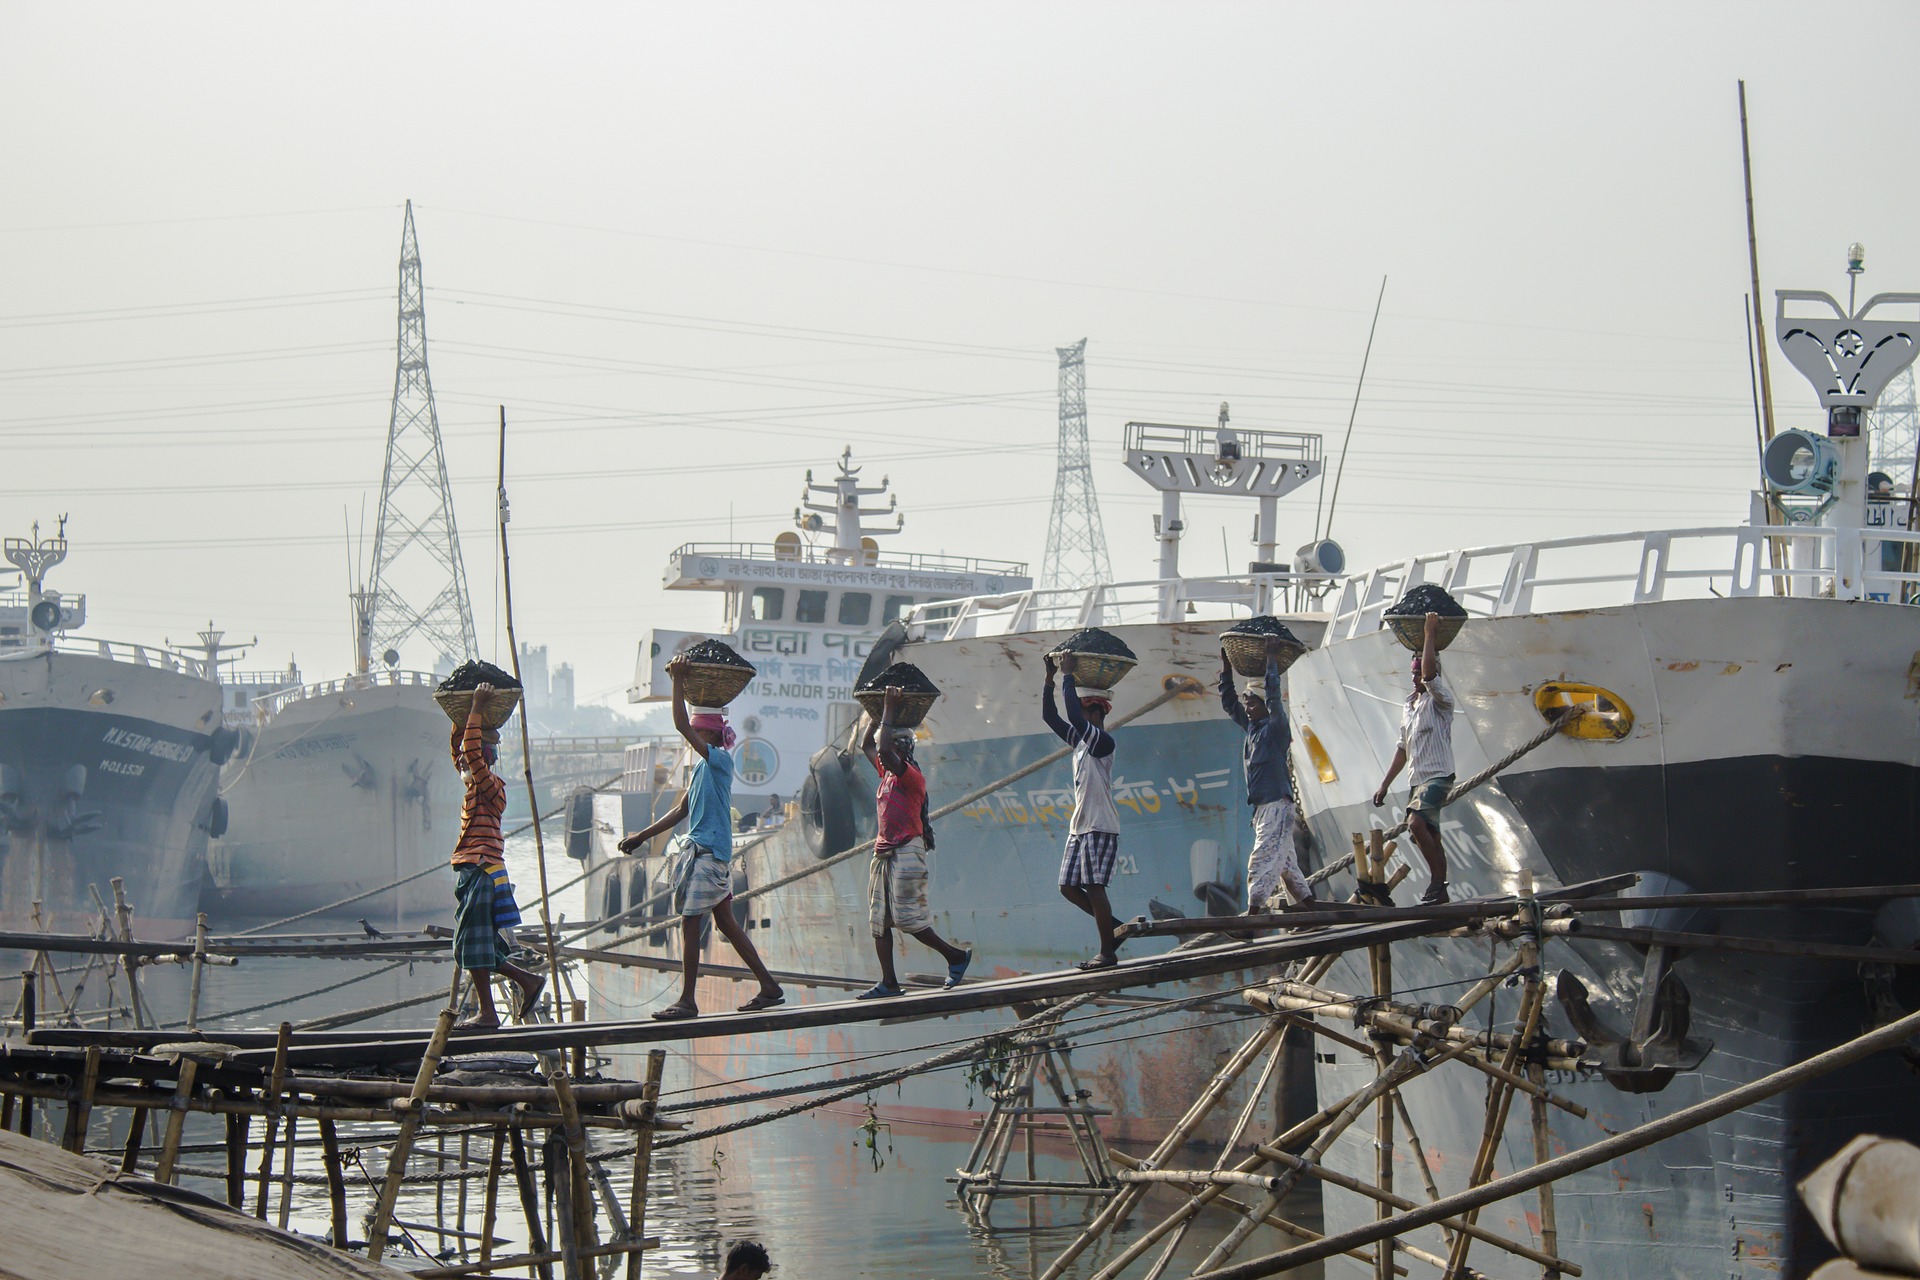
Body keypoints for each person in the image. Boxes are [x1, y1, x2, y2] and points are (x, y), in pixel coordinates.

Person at [616, 655, 785, 1020]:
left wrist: (677, 681)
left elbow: (679, 723)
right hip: (706, 853)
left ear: (707, 735)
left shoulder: (720, 760)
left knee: (690, 922)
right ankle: (769, 987)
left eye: (697, 732)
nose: (693, 736)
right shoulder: (700, 770)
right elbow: (681, 811)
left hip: (709, 855)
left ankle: (687, 1001)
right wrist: (640, 837)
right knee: (726, 923)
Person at [854, 686, 972, 999]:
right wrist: (876, 716)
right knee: (879, 921)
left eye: (892, 745)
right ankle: (888, 982)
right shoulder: (887, 774)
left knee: (907, 919)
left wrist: (889, 711)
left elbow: (880, 750)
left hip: (907, 849)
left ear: (902, 749)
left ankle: (956, 957)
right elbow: (868, 745)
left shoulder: (910, 776)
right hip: (885, 854)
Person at [449, 683, 544, 1029]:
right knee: (475, 943)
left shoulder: (491, 786)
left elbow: (470, 754)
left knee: (472, 944)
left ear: (485, 759)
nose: (464, 761)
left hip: (484, 870)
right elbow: (462, 752)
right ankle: (527, 981)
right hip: (475, 871)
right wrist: (460, 720)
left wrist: (475, 708)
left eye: (472, 757)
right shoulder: (474, 785)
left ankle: (488, 1014)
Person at [1219, 635, 1319, 913]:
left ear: (1264, 705)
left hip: (1277, 805)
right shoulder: (1252, 729)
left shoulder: (1276, 729)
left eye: (1252, 704)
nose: (1247, 709)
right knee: (1287, 865)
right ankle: (1312, 909)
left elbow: (1274, 697)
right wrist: (1226, 669)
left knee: (1261, 859)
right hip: (1264, 808)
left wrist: (1271, 660)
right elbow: (1229, 704)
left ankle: (1252, 916)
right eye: (1247, 704)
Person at [1041, 653, 1124, 969]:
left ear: (1096, 713)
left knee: (1094, 886)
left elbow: (1073, 718)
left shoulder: (1103, 741)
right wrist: (1050, 680)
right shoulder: (1081, 742)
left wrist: (1068, 676)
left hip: (1100, 825)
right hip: (1081, 826)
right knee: (1068, 887)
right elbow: (1052, 718)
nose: (1081, 714)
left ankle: (1108, 952)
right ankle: (1113, 928)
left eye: (1085, 709)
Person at [1371, 613, 1455, 905]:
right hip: (1416, 779)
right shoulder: (1409, 705)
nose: (1416, 677)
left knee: (1416, 824)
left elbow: (1431, 676)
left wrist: (1429, 633)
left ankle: (1435, 880)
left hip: (1438, 775)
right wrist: (1384, 784)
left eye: (1419, 671)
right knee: (1429, 831)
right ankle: (1440, 888)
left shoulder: (1440, 698)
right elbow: (1402, 749)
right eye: (1413, 672)